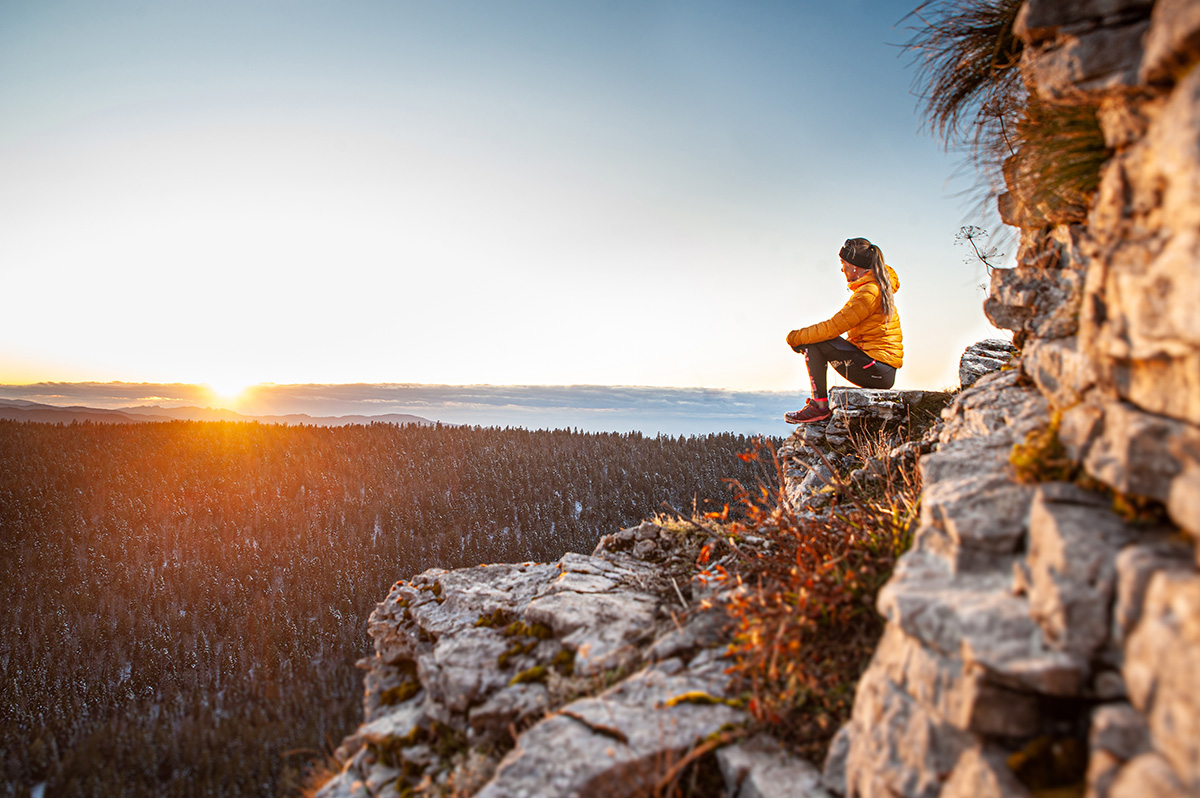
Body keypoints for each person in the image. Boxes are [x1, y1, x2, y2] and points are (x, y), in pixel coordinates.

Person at [784, 237, 903, 424]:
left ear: (855, 267)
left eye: (844, 264)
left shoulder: (868, 293)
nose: (842, 269)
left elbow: (833, 328)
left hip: (877, 369)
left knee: (815, 341)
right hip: (880, 369)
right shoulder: (875, 288)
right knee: (815, 340)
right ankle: (819, 405)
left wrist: (795, 338)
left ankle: (820, 407)